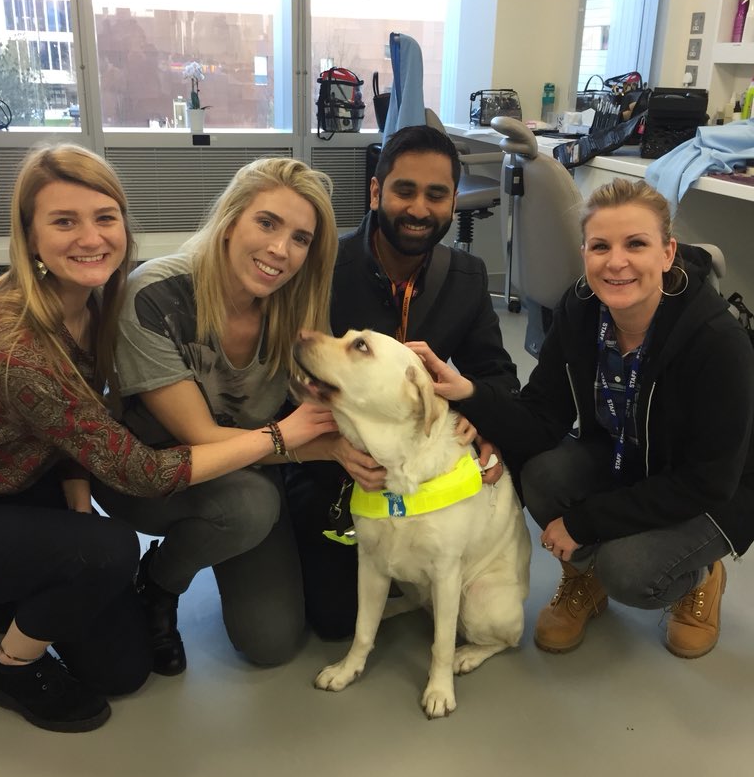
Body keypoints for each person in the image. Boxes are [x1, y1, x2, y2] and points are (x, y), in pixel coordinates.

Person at [0, 145, 336, 732]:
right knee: (111, 547)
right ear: (28, 235)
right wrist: (288, 437)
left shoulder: (93, 302)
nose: (90, 238)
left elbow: (72, 428)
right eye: (64, 221)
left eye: (104, 218)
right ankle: (9, 665)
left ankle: (15, 588)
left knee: (124, 670)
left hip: (34, 483)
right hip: (10, 494)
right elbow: (139, 470)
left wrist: (75, 506)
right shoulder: (20, 342)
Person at [409, 177, 754, 659]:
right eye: (600, 246)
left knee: (629, 572)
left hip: (713, 491)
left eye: (637, 244)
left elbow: (708, 480)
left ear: (668, 252)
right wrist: (468, 393)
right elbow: (542, 418)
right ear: (584, 252)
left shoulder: (716, 341)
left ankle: (700, 575)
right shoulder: (580, 310)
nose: (616, 262)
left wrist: (587, 522)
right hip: (625, 457)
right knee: (542, 474)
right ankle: (583, 579)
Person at [95, 157, 340, 676]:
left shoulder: (294, 303)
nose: (280, 250)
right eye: (267, 223)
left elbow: (317, 411)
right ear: (231, 220)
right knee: (250, 506)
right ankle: (159, 584)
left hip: (246, 466)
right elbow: (201, 437)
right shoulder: (154, 294)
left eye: (300, 238)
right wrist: (297, 438)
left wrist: (345, 446)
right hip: (151, 477)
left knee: (271, 643)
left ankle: (200, 552)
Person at [284, 124, 521, 640]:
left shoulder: (466, 277)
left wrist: (484, 426)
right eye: (404, 190)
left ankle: (423, 563)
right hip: (333, 462)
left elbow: (498, 377)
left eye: (436, 195)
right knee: (329, 621)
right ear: (376, 192)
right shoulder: (325, 269)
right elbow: (287, 383)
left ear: (453, 201)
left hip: (418, 467)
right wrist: (330, 448)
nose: (419, 209)